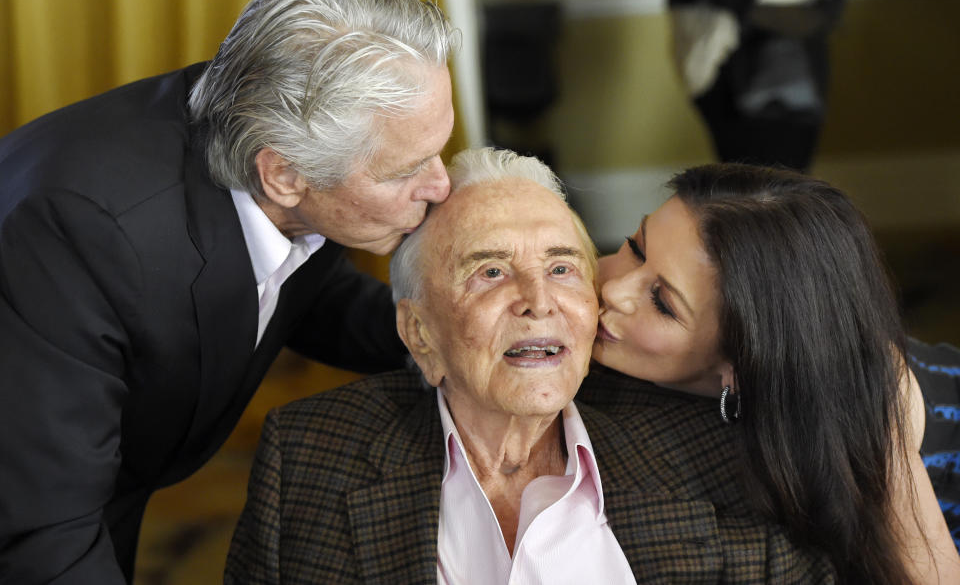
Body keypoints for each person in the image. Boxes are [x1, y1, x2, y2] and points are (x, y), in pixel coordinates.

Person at [0, 0, 456, 583]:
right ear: (284, 176)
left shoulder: (281, 123)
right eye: (407, 168)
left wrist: (453, 337)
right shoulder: (81, 237)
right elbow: (43, 535)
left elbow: (304, 288)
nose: (440, 186)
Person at [225, 148, 836, 584]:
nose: (538, 300)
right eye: (490, 271)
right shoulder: (306, 460)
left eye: (563, 266)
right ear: (419, 333)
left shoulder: (723, 463)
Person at [588, 163, 960, 584]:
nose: (613, 289)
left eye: (662, 303)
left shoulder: (877, 413)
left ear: (741, 366)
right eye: (635, 247)